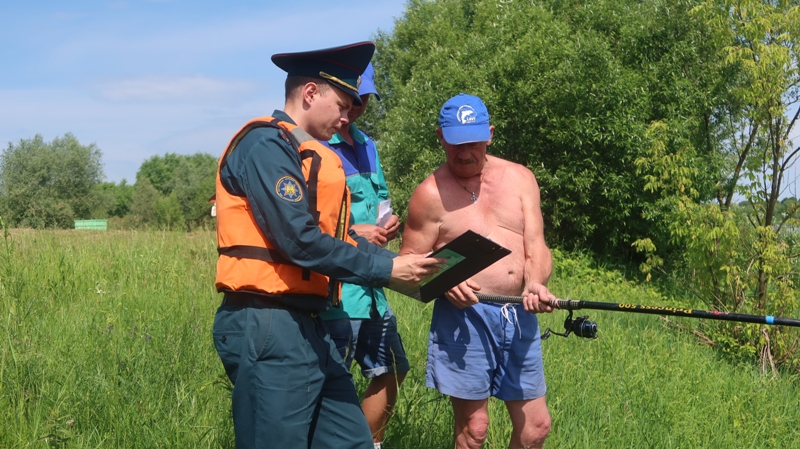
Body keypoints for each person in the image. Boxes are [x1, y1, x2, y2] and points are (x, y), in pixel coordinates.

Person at [211, 41, 442, 449]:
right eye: (341, 103)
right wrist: (389, 271)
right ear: (310, 93)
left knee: (351, 441)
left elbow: (341, 239)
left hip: (309, 323)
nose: (346, 116)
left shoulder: (306, 152)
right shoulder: (266, 146)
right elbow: (299, 242)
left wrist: (412, 269)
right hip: (268, 322)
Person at [399, 93, 556, 449]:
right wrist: (442, 281)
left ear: (490, 135)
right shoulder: (429, 194)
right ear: (440, 137)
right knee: (475, 431)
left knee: (536, 428)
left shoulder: (520, 179)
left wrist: (535, 283)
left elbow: (538, 246)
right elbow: (404, 267)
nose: (465, 153)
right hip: (463, 319)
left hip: (519, 313)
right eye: (455, 144)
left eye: (473, 143)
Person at [319, 62, 406, 449]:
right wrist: (355, 233)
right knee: (330, 383)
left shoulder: (367, 144)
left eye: (363, 99)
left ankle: (369, 443)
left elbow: (381, 200)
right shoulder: (314, 144)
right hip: (336, 291)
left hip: (373, 287)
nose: (354, 108)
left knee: (392, 370)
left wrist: (389, 223)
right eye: (349, 99)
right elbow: (304, 227)